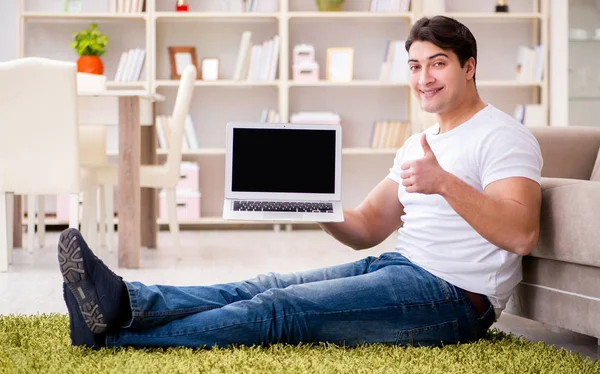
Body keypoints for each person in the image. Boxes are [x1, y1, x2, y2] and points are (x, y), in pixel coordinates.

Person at [59, 15, 542, 350]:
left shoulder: (503, 135)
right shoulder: (421, 141)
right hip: (400, 265)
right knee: (263, 285)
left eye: (438, 63)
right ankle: (126, 301)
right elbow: (368, 227)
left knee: (280, 309)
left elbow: (521, 233)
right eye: (415, 66)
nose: (423, 78)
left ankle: (114, 336)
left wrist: (442, 183)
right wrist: (310, 205)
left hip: (455, 298)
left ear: (469, 66)